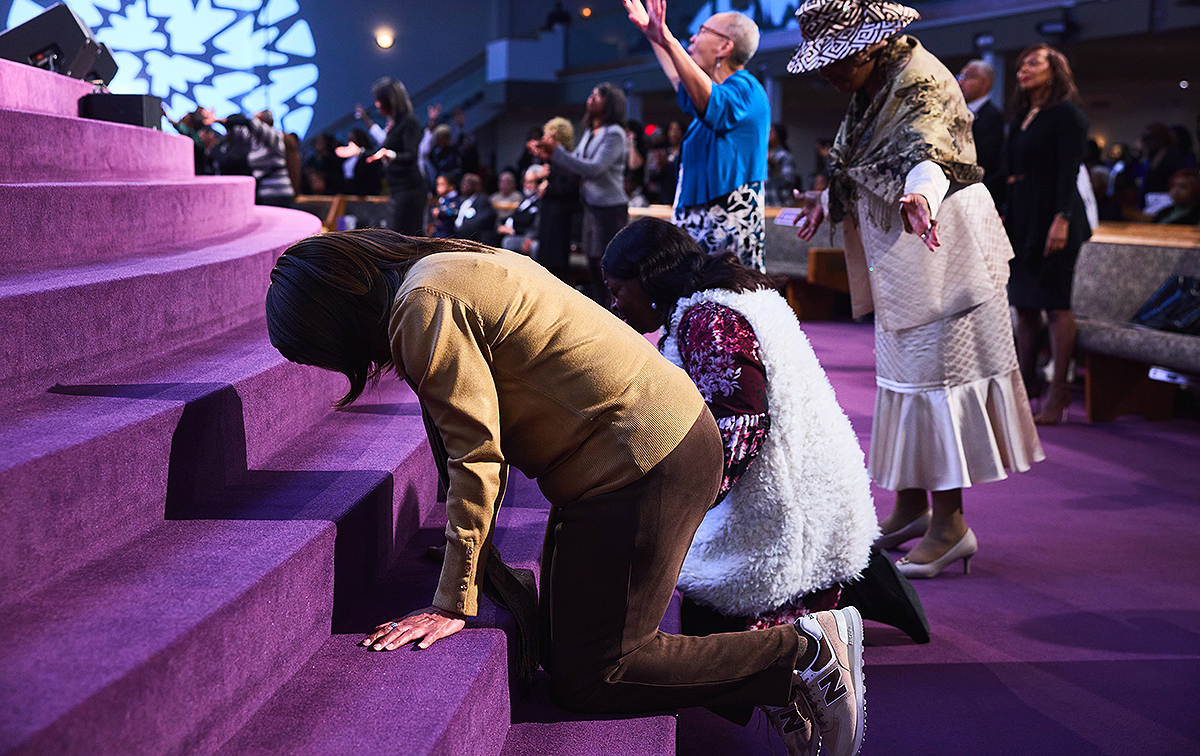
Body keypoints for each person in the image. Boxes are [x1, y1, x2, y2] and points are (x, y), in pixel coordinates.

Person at [265, 230, 867, 756]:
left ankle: (803, 652)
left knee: (595, 674)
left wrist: (452, 602)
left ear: (337, 318)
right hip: (638, 451)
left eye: (318, 350)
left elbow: (476, 456)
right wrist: (474, 570)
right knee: (559, 642)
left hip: (645, 463)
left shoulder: (422, 304)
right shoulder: (440, 264)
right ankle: (784, 676)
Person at [789, 0, 1043, 578]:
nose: (828, 74)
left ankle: (950, 525)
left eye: (836, 60)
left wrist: (920, 193)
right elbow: (865, 156)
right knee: (901, 381)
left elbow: (930, 150)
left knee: (937, 384)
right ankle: (910, 506)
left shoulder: (921, 79)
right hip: (905, 254)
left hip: (941, 242)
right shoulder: (875, 81)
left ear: (871, 43)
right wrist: (829, 199)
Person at [602, 219, 930, 644]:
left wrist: (678, 504)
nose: (614, 305)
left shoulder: (708, 321)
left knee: (682, 582)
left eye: (617, 290)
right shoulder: (732, 294)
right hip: (820, 486)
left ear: (649, 279)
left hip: (783, 507)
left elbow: (741, 427)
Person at [625, 0, 770, 271]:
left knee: (724, 306)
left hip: (726, 218)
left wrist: (667, 38)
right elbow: (682, 80)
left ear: (725, 46)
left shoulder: (746, 89)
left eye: (702, 31)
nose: (692, 38)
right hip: (698, 221)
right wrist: (653, 36)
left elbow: (710, 101)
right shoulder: (716, 92)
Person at [1004, 43, 1091, 425]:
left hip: (1056, 216)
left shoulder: (1066, 115)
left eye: (1034, 62)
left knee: (1056, 305)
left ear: (1055, 70)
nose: (1024, 67)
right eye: (1022, 62)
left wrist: (1063, 218)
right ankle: (1025, 388)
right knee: (1024, 305)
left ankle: (1059, 397)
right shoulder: (1024, 115)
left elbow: (1068, 171)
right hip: (1024, 218)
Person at [528, 84, 628, 301]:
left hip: (610, 208)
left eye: (597, 95)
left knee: (606, 268)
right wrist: (550, 154)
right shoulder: (591, 132)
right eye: (590, 93)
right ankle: (602, 316)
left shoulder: (615, 134)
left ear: (610, 102)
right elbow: (576, 164)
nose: (590, 97)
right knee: (593, 265)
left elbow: (594, 168)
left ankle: (615, 319)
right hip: (591, 206)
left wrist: (558, 153)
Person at [363, 77, 426, 235]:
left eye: (379, 100)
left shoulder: (409, 122)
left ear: (390, 100)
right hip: (398, 189)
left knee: (405, 238)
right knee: (398, 237)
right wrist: (359, 152)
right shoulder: (394, 123)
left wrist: (390, 154)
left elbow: (411, 155)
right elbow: (384, 152)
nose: (377, 105)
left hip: (410, 190)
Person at [202, 109, 295, 207]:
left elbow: (245, 121)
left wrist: (218, 120)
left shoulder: (273, 137)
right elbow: (235, 127)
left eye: (256, 117)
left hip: (278, 193)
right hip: (264, 194)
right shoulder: (254, 141)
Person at [532, 117, 581, 282]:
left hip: (559, 216)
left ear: (555, 136)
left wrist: (548, 187)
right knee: (545, 262)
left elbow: (571, 187)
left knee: (555, 263)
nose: (544, 139)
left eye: (547, 135)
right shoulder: (552, 159)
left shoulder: (567, 158)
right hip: (550, 213)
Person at [957, 59, 1005, 207]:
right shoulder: (955, 112)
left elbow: (984, 158)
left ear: (986, 83)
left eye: (968, 77)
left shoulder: (993, 116)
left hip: (980, 192)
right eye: (960, 77)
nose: (961, 83)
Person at [765, 123, 799, 206]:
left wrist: (774, 166)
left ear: (778, 135)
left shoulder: (785, 156)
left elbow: (788, 181)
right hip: (765, 205)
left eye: (771, 132)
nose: (767, 134)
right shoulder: (760, 155)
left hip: (781, 204)